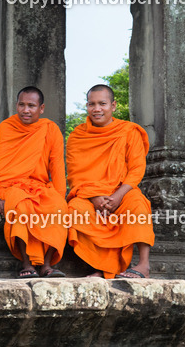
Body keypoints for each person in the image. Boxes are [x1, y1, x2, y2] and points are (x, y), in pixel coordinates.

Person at [65, 84, 154, 278]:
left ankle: (143, 265)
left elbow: (137, 169)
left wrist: (117, 196)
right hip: (90, 196)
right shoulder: (77, 137)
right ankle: (102, 268)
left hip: (121, 191)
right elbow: (75, 175)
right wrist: (95, 196)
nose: (97, 109)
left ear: (113, 106)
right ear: (87, 106)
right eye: (92, 104)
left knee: (138, 203)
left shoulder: (128, 131)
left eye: (102, 104)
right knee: (75, 210)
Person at [0, 86, 68, 278]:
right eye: (22, 105)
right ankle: (27, 264)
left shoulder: (50, 129)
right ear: (16, 105)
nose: (26, 110)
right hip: (12, 185)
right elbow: (0, 165)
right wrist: (0, 195)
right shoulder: (7, 127)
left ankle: (47, 265)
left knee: (58, 207)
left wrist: (60, 195)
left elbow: (57, 166)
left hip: (39, 186)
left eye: (31, 106)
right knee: (21, 206)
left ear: (41, 108)